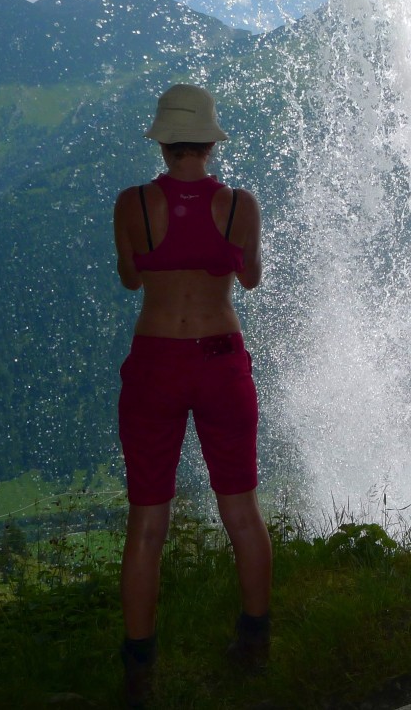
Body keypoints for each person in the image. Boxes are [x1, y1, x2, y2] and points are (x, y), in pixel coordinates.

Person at [112, 84, 271, 706]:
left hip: (155, 361)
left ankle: (139, 667)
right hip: (220, 360)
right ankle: (255, 643)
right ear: (209, 142)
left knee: (147, 520)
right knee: (242, 509)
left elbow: (130, 278)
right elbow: (250, 279)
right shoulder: (239, 205)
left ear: (162, 139)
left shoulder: (132, 204)